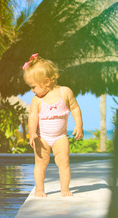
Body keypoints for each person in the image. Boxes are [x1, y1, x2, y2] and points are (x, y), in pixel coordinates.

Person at [23, 53, 84, 197]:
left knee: (64, 162)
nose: (32, 91)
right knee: (40, 163)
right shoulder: (36, 100)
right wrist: (32, 133)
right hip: (42, 137)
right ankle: (39, 190)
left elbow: (75, 107)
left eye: (33, 87)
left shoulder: (65, 92)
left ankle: (65, 189)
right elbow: (32, 117)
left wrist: (79, 125)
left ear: (47, 81)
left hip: (60, 137)